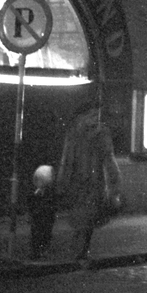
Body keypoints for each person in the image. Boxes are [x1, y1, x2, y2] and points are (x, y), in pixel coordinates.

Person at [56, 99, 121, 264]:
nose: (95, 118)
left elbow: (109, 158)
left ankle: (80, 251)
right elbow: (67, 159)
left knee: (87, 219)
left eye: (97, 115)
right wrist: (63, 181)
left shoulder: (98, 132)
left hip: (90, 182)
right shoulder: (78, 132)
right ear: (84, 116)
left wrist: (114, 183)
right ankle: (80, 251)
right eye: (92, 115)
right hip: (81, 182)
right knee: (83, 218)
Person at [27, 164, 58, 259]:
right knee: (38, 234)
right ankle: (38, 251)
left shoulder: (47, 193)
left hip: (44, 216)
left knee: (44, 234)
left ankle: (40, 250)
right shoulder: (38, 193)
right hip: (40, 216)